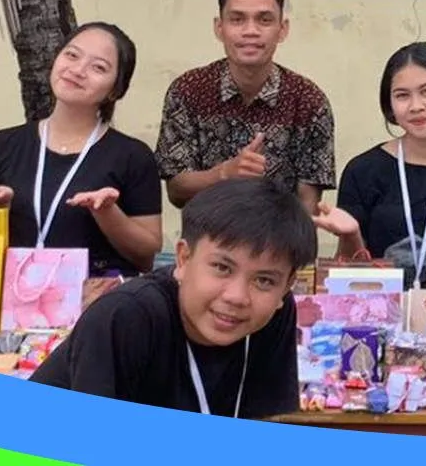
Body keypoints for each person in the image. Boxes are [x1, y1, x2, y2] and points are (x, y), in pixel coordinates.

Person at [29, 177, 314, 419]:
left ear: (286, 287)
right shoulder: (126, 316)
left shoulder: (273, 314)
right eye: (222, 268)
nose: (237, 297)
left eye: (263, 280)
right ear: (183, 258)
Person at [0, 22, 163, 276]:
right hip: (12, 302)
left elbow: (145, 258)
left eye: (98, 67)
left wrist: (106, 212)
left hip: (96, 307)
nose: (78, 70)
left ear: (115, 90)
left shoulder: (132, 156)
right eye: (72, 55)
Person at [312, 42, 426, 292]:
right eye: (402, 95)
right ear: (390, 106)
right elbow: (347, 269)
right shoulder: (363, 170)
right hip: (380, 317)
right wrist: (350, 234)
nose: (416, 106)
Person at [154, 0, 335, 217]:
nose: (251, 31)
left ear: (282, 29)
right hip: (207, 242)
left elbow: (307, 206)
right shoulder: (188, 90)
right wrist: (224, 174)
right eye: (237, 19)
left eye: (264, 20)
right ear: (219, 27)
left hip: (278, 246)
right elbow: (176, 190)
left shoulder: (309, 101)